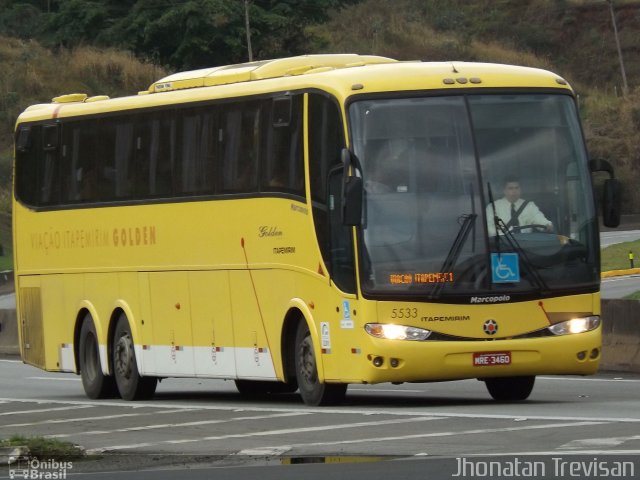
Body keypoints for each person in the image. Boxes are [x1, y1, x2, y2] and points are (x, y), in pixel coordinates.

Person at [486, 175, 553, 236]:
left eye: (517, 188)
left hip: (525, 246)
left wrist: (547, 224)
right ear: (504, 190)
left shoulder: (529, 206)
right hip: (502, 246)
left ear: (520, 189)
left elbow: (538, 218)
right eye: (510, 188)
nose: (514, 191)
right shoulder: (493, 207)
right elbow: (489, 229)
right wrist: (504, 235)